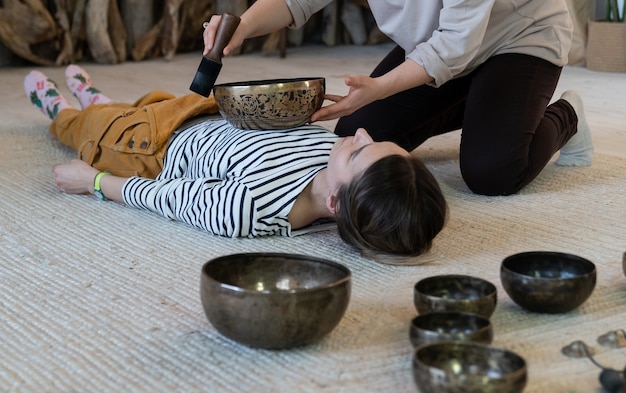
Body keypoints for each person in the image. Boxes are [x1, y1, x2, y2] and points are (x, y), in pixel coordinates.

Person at [24, 65, 448, 265]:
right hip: (202, 112)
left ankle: (60, 108)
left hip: (151, 148)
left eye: (360, 151)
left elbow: (166, 198)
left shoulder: (251, 207)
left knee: (88, 131)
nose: (360, 134)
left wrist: (95, 181)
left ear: (335, 202)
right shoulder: (345, 173)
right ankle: (96, 98)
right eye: (375, 142)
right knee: (135, 102)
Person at [202, 0, 594, 196]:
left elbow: (456, 46)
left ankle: (566, 115)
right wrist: (242, 25)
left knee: (493, 173)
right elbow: (295, 2)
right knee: (358, 133)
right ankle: (487, 107)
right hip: (437, 46)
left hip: (519, 37)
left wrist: (379, 88)